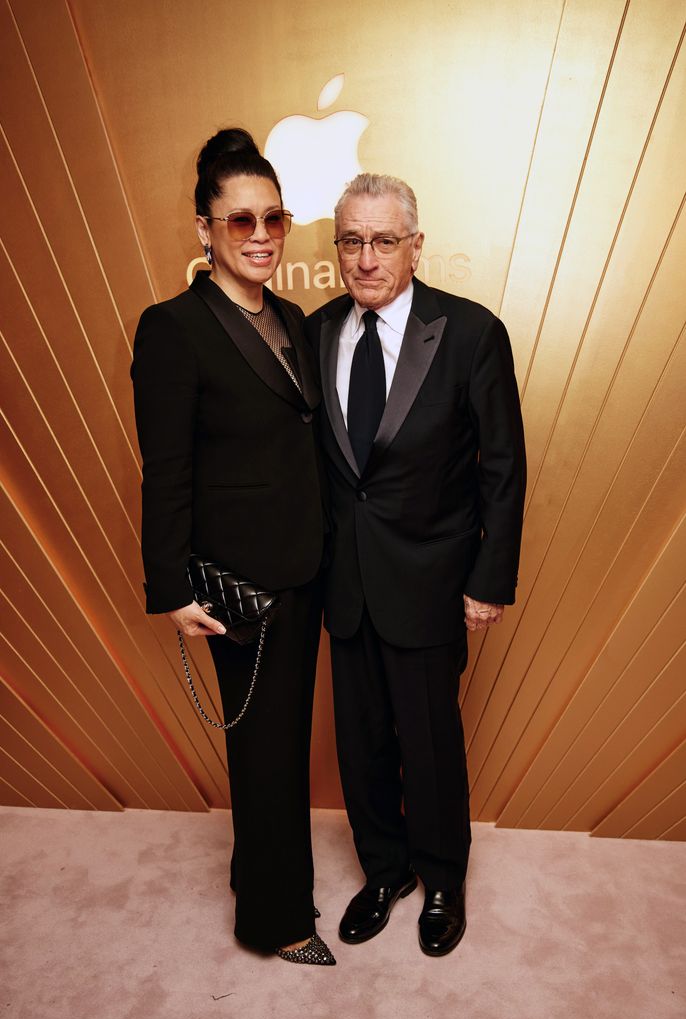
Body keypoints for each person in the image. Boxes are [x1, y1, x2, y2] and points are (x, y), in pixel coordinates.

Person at [305, 173, 526, 957]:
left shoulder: (469, 333)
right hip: (347, 583)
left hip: (433, 582)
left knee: (429, 742)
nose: (365, 258)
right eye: (351, 241)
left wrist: (488, 579)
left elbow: (502, 466)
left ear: (415, 246)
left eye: (383, 240)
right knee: (359, 742)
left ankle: (443, 881)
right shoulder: (319, 330)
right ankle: (385, 868)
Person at [131, 129, 335, 966]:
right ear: (204, 230)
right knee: (265, 751)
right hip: (236, 584)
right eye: (239, 218)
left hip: (306, 568)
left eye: (274, 217)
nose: (260, 234)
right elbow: (164, 469)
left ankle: (262, 880)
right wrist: (172, 586)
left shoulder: (289, 315)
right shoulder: (173, 328)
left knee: (280, 742)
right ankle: (275, 921)